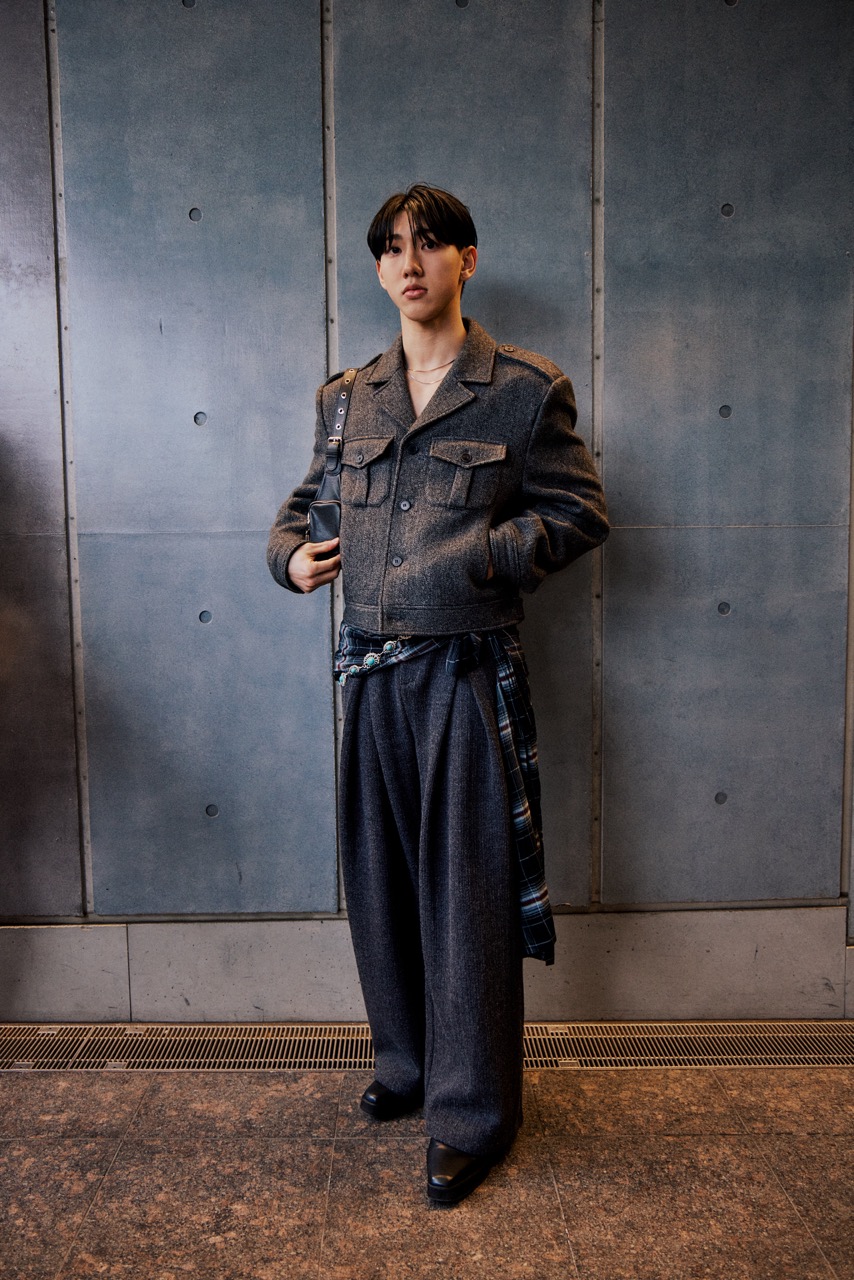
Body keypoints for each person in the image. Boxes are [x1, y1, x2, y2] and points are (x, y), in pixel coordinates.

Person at [268, 184, 608, 1205]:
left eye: (429, 244)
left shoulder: (523, 389)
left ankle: (472, 1114)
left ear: (467, 258)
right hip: (369, 676)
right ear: (379, 268)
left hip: (463, 673)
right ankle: (409, 1064)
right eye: (391, 249)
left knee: (467, 899)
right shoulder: (348, 396)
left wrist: (482, 558)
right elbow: (305, 506)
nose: (409, 264)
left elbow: (578, 511)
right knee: (380, 884)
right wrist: (288, 558)